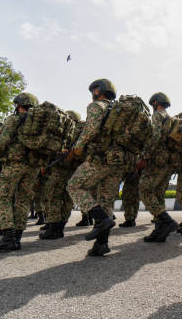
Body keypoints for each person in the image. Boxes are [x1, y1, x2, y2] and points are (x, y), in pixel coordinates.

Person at [66, 79, 121, 256]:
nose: (93, 93)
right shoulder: (118, 111)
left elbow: (90, 130)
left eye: (94, 89)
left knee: (74, 186)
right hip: (118, 161)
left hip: (100, 158)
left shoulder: (97, 106)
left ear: (101, 90)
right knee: (106, 201)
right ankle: (101, 244)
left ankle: (101, 218)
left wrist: (78, 147)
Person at [0, 93, 41, 252]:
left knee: (2, 196)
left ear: (18, 104)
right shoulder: (39, 123)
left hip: (14, 163)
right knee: (23, 200)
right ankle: (17, 237)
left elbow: (2, 140)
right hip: (33, 166)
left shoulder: (14, 119)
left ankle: (8, 237)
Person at [138, 92, 180, 242]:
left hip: (157, 159)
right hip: (169, 162)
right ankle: (159, 230)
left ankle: (166, 221)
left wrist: (144, 156)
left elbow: (154, 137)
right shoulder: (172, 119)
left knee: (144, 190)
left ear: (155, 103)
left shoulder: (157, 116)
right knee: (158, 195)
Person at [39, 110, 84, 240]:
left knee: (53, 196)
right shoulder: (82, 130)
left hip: (60, 168)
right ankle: (61, 226)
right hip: (75, 169)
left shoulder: (66, 129)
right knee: (68, 199)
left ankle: (53, 227)